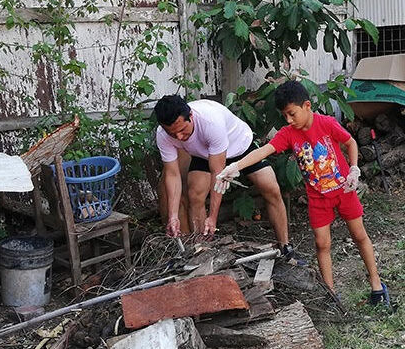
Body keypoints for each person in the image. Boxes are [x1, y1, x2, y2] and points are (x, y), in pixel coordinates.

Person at [214, 81, 390, 307]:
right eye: (284, 115)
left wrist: (354, 168)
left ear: (307, 106)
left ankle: (376, 285)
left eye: (292, 114)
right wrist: (235, 166)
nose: (288, 120)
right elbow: (263, 151)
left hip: (343, 190)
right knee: (322, 243)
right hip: (317, 197)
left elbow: (351, 142)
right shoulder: (289, 134)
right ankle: (331, 294)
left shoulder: (326, 123)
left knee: (359, 235)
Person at [155, 94, 296, 258]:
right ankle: (202, 251)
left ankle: (285, 246)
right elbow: (172, 175)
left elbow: (218, 173)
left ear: (191, 116)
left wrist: (213, 218)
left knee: (270, 188)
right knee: (195, 194)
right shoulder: (163, 134)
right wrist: (173, 216)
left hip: (239, 147)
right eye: (172, 134)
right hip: (204, 154)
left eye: (181, 130)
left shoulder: (210, 122)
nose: (179, 137)